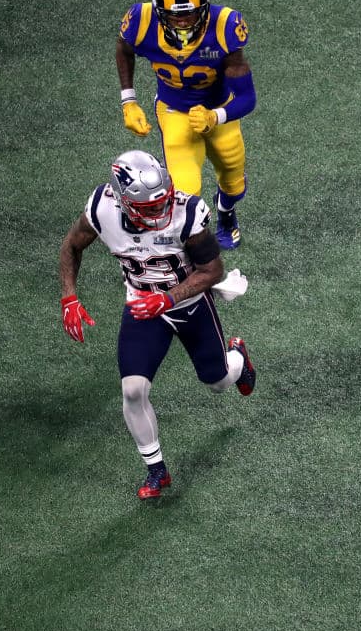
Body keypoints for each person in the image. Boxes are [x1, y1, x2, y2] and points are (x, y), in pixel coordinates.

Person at [59, 150, 256, 499]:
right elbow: (72, 246)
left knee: (217, 381)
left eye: (162, 201)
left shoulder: (186, 212)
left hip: (190, 304)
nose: (160, 211)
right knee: (133, 391)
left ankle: (238, 359)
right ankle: (156, 470)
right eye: (148, 207)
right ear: (122, 201)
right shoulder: (102, 208)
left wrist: (168, 298)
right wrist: (69, 297)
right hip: (142, 306)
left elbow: (212, 271)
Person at [115, 0, 257, 250]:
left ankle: (226, 213)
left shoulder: (224, 26)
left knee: (234, 181)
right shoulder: (141, 21)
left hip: (219, 110)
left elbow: (247, 97)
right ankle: (192, 243)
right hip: (174, 111)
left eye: (190, 13)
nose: (182, 22)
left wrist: (215, 116)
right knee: (184, 192)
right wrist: (128, 100)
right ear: (159, 11)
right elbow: (123, 49)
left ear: (205, 6)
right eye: (174, 15)